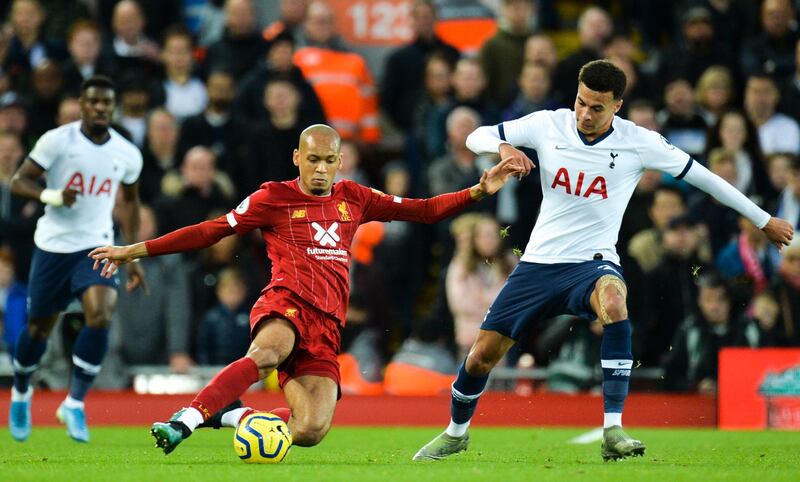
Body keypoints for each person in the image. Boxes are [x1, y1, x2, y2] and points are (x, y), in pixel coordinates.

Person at [412, 60, 794, 462]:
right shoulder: (548, 124)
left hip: (592, 263)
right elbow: (477, 135)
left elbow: (705, 178)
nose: (585, 114)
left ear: (618, 107)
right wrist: (504, 146)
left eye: (597, 108)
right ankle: (456, 433)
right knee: (482, 355)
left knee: (613, 302)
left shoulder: (639, 141)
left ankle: (613, 428)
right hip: (539, 263)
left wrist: (763, 220)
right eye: (581, 102)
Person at [88, 124, 525, 454]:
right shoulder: (272, 197)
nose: (320, 169)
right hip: (286, 301)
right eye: (312, 159)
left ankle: (229, 413)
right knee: (266, 355)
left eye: (329, 161)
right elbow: (210, 231)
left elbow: (424, 210)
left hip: (327, 323)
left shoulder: (355, 197)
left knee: (310, 430)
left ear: (339, 162)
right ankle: (184, 420)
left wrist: (476, 192)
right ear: (297, 157)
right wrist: (136, 250)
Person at [7, 75, 145, 443]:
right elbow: (19, 181)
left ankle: (75, 403)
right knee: (39, 329)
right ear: (82, 105)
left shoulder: (127, 153)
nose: (100, 108)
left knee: (100, 315)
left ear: (112, 107)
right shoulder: (57, 141)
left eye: (106, 103)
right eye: (93, 102)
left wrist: (132, 253)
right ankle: (21, 391)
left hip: (96, 244)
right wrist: (51, 196)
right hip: (53, 245)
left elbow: (130, 202)